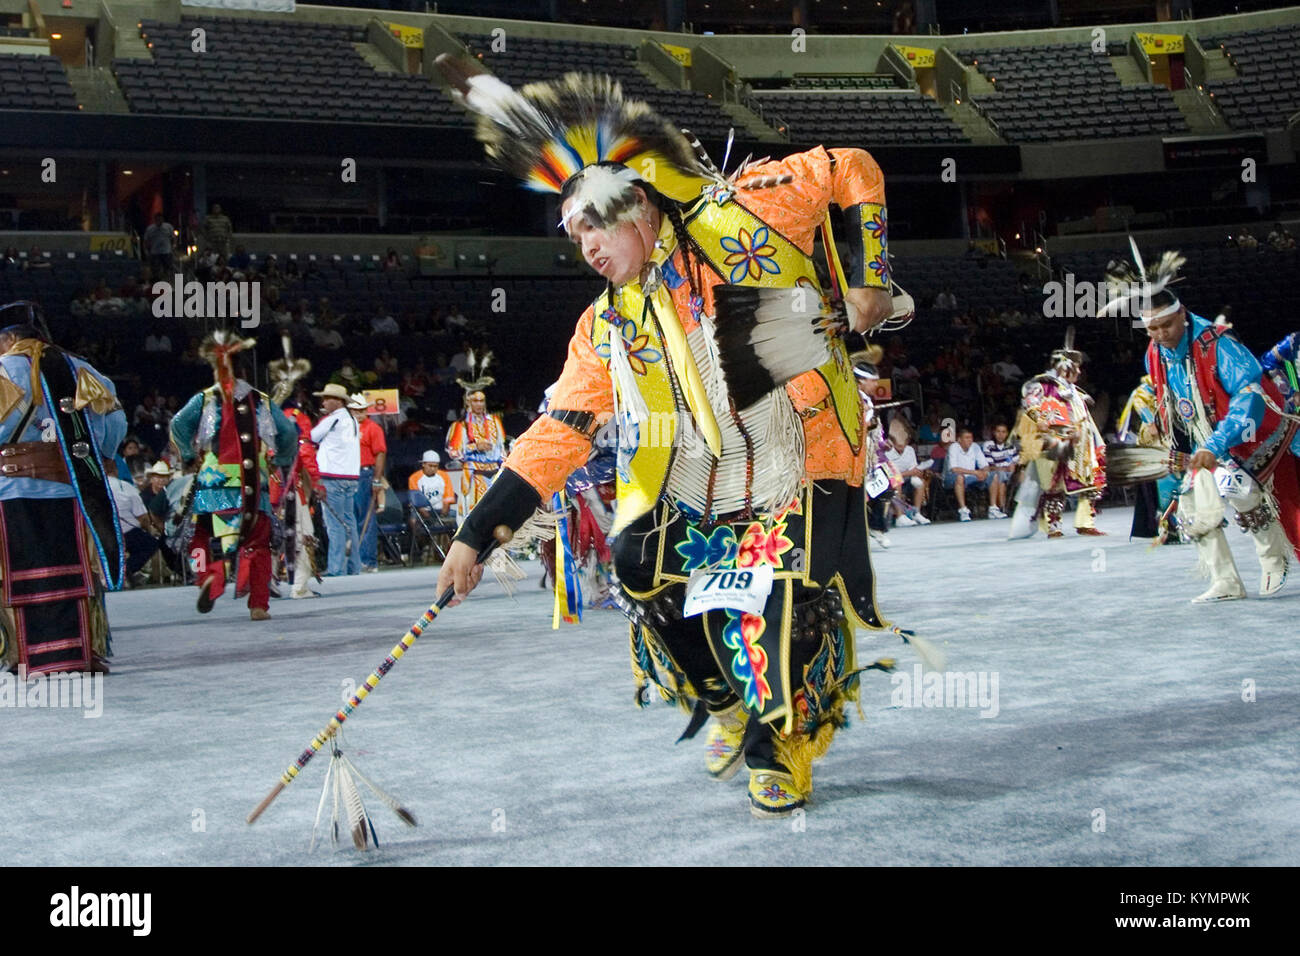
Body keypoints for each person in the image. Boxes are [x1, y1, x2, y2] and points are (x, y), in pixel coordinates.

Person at [433, 60, 908, 816]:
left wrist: (873, 276)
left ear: (642, 207)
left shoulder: (743, 217)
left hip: (801, 454)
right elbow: (558, 434)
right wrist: (475, 536)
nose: (585, 246)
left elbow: (853, 167)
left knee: (780, 601)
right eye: (572, 235)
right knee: (633, 559)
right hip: (696, 478)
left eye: (594, 225)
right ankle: (722, 699)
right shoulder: (607, 325)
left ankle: (775, 744)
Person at [1103, 245, 1300, 602]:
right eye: (1152, 329)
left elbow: (1249, 398)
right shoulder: (1155, 354)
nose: (1161, 334)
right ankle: (1226, 581)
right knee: (1192, 503)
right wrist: (1157, 423)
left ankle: (1273, 556)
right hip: (1209, 439)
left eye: (1166, 325)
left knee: (1236, 485)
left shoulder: (1217, 344)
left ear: (1182, 315)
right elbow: (1165, 394)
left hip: (1260, 433)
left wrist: (1214, 445)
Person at [0, 312, 126, 675]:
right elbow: (114, 423)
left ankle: (21, 655)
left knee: (13, 571)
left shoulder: (3, 370)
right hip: (71, 488)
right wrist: (101, 451)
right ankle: (83, 651)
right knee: (78, 568)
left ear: (8, 339)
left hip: (11, 489)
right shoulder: (79, 369)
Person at [169, 332, 298, 619]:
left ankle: (208, 576)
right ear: (246, 373)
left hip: (212, 485)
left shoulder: (204, 399)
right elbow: (289, 432)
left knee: (199, 536)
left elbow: (178, 424)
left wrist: (189, 456)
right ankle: (258, 604)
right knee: (258, 544)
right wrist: (281, 460)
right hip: (254, 487)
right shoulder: (262, 400)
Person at [1010, 332, 1107, 538]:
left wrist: (1096, 441)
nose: (1080, 371)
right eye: (1076, 367)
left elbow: (1084, 418)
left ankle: (1085, 522)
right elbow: (1029, 402)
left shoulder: (1076, 391)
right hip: (1055, 443)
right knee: (1054, 486)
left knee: (1092, 483)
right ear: (1065, 367)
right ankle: (1053, 526)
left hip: (1081, 443)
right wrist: (1039, 418)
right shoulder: (1043, 385)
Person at [444, 358, 506, 528]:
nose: (479, 404)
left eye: (482, 400)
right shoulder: (460, 425)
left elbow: (502, 449)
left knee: (497, 515)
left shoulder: (494, 421)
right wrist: (473, 446)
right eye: (475, 401)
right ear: (468, 402)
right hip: (473, 474)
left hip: (494, 473)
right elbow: (453, 451)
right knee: (473, 515)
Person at [310, 382, 362, 576]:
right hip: (350, 477)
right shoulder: (353, 420)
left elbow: (311, 437)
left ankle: (336, 568)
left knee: (335, 525)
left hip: (333, 477)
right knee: (349, 522)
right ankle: (353, 567)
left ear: (338, 401)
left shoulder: (332, 419)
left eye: (327, 398)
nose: (323, 401)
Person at [352, 392, 388, 573]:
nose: (358, 413)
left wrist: (376, 479)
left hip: (365, 473)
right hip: (349, 474)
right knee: (352, 518)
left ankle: (368, 560)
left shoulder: (373, 428)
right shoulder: (347, 427)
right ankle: (355, 560)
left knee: (366, 518)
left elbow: (380, 454)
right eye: (355, 410)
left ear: (366, 410)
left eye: (361, 410)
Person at [407, 450, 454, 563]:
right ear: (423, 464)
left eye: (436, 466)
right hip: (423, 510)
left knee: (458, 518)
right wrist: (423, 511)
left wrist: (445, 508)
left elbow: (448, 497)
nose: (433, 468)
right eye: (430, 466)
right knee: (413, 521)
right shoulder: (414, 478)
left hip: (439, 509)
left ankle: (451, 551)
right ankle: (424, 545)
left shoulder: (444, 476)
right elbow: (415, 499)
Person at [885, 418, 931, 526]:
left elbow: (914, 470)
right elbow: (891, 473)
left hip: (906, 477)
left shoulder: (910, 450)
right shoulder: (887, 452)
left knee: (919, 482)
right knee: (897, 482)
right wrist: (908, 473)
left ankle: (917, 513)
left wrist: (915, 472)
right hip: (890, 481)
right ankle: (900, 517)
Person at [944, 427, 989, 521]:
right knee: (960, 477)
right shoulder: (953, 447)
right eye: (967, 438)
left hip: (971, 477)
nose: (970, 440)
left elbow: (984, 465)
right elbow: (954, 469)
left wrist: (984, 472)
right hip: (951, 478)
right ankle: (963, 510)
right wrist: (975, 472)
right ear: (959, 439)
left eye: (971, 438)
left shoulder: (975, 447)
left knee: (993, 475)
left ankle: (994, 508)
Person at [982, 422, 1018, 519]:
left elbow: (1016, 462)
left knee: (1023, 476)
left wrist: (1014, 467)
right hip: (996, 473)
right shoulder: (988, 445)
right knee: (1000, 476)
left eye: (1003, 432)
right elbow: (989, 466)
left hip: (1011, 472)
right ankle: (1001, 508)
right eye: (998, 432)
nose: (1001, 435)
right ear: (994, 433)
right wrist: (1003, 469)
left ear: (1007, 434)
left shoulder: (1010, 446)